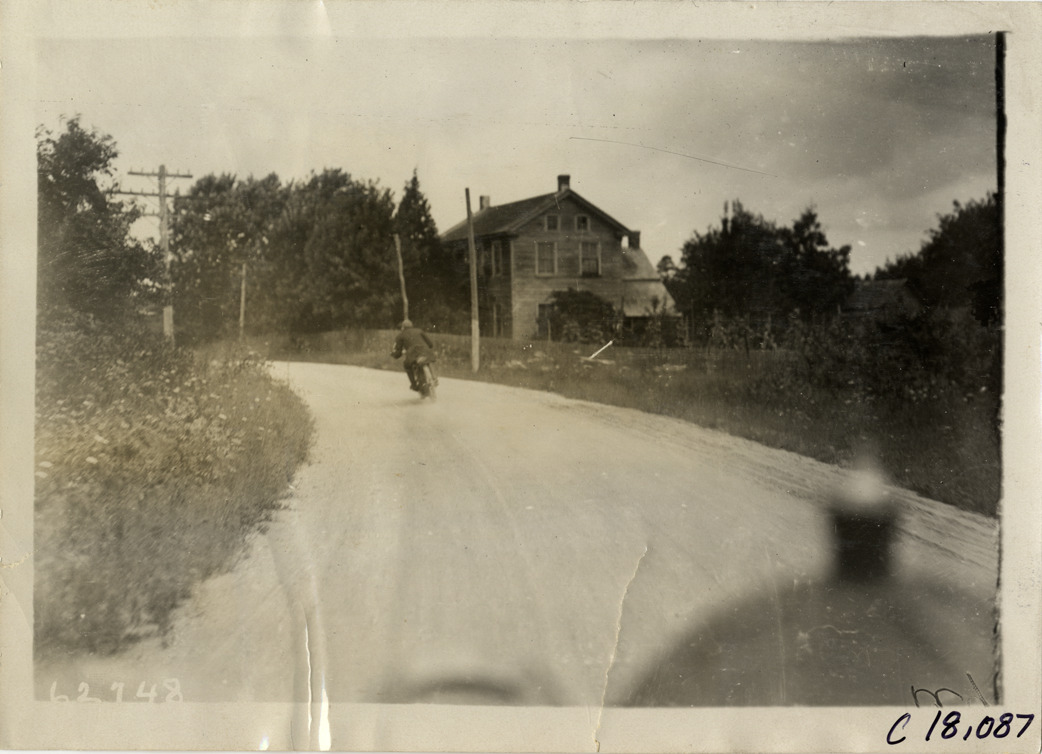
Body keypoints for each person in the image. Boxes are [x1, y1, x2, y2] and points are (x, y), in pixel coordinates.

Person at [391, 319, 436, 391]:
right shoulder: (419, 331)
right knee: (429, 361)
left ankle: (414, 384)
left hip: (413, 354)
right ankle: (434, 378)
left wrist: (394, 354)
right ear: (412, 326)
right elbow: (430, 344)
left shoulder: (400, 335)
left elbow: (397, 352)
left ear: (403, 327)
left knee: (407, 366)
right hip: (426, 352)